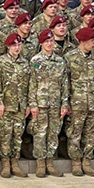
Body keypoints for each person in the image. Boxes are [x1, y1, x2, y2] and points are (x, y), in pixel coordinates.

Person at [29, 29, 70, 178]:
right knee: (40, 133)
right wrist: (32, 104)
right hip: (40, 103)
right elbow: (32, 84)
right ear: (41, 43)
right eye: (46, 41)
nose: (49, 44)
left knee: (53, 133)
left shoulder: (60, 61)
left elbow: (65, 84)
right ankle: (40, 163)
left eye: (51, 41)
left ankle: (50, 163)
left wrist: (64, 104)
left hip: (56, 103)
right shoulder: (35, 61)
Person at [64, 27, 94, 177]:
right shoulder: (70, 57)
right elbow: (65, 82)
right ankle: (76, 162)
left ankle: (87, 161)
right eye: (92, 40)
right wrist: (66, 102)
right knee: (75, 133)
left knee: (91, 133)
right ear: (83, 41)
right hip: (77, 102)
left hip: (93, 101)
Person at [0, 33, 31, 178]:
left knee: (17, 135)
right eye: (14, 45)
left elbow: (29, 85)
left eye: (19, 45)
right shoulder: (1, 62)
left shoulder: (25, 63)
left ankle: (15, 163)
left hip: (20, 105)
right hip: (6, 105)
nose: (17, 48)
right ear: (8, 46)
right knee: (5, 135)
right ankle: (5, 164)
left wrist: (28, 104)